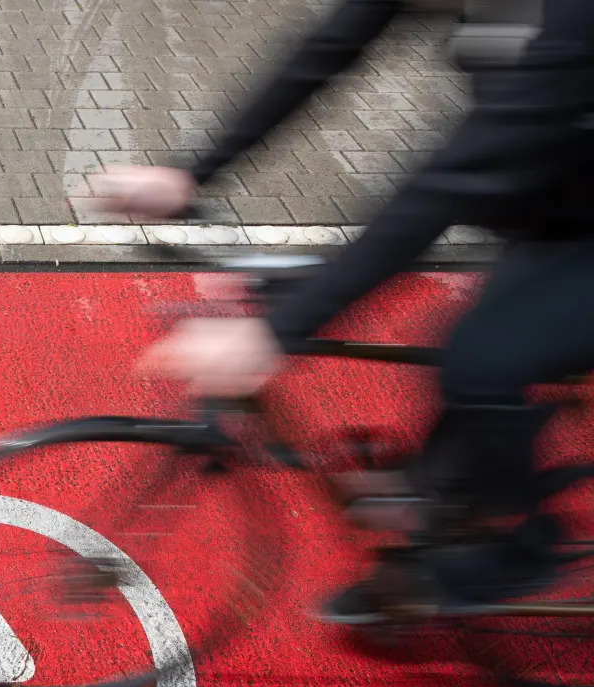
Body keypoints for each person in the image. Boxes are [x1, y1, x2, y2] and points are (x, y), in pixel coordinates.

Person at [91, 0, 594, 623]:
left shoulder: (572, 21)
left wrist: (274, 334)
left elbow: (449, 185)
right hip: (554, 215)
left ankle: (521, 545)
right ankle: (423, 566)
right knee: (446, 377)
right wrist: (192, 174)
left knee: (480, 357)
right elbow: (324, 53)